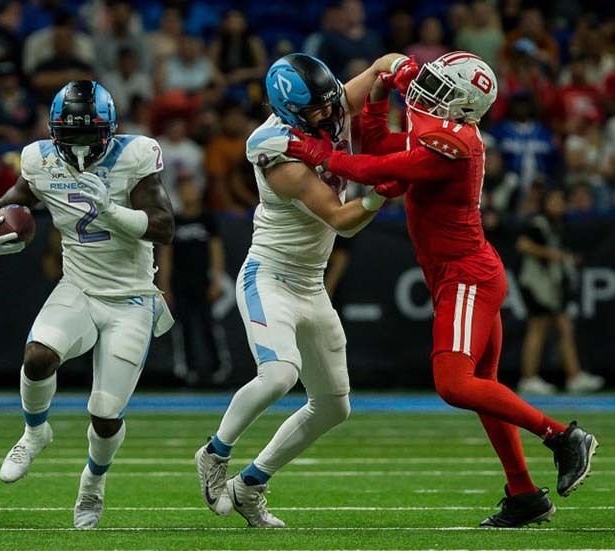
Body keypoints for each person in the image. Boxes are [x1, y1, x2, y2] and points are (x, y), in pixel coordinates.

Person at [284, 52, 598, 527]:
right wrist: (377, 96)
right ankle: (523, 494)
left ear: (464, 105)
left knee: (454, 384)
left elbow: (369, 169)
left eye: (441, 89)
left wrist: (313, 153)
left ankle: (562, 437)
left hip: (465, 274)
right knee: (481, 390)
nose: (429, 94)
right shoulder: (442, 131)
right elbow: (384, 145)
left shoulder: (454, 143)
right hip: (459, 272)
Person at [194, 52, 403, 527]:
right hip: (270, 276)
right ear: (291, 112)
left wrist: (406, 70)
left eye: (331, 104)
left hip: (311, 284)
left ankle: (251, 483)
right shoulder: (278, 155)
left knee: (333, 406)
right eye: (318, 111)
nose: (331, 114)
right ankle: (214, 452)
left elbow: (380, 66)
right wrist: (384, 189)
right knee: (279, 374)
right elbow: (342, 219)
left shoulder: (328, 106)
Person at [0, 81, 174, 529]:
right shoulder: (40, 159)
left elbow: (163, 227)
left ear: (109, 131)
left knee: (105, 415)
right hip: (78, 287)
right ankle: (34, 431)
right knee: (38, 356)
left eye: (89, 136)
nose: (81, 147)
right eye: (72, 136)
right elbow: (9, 203)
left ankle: (93, 482)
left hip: (131, 298)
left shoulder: (135, 155)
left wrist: (113, 211)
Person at [516, 188, 604, 395]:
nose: (557, 205)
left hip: (553, 285)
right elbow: (523, 244)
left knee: (564, 327)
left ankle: (574, 376)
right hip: (537, 283)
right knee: (538, 327)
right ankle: (528, 378)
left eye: (560, 200)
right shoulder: (537, 223)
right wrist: (551, 254)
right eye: (553, 200)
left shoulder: (560, 224)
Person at [157, 174, 229, 386]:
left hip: (203, 282)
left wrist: (217, 280)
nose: (190, 193)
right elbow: (165, 255)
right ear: (179, 194)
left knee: (209, 326)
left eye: (192, 188)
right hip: (181, 283)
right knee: (184, 328)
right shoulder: (175, 221)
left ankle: (218, 369)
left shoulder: (207, 220)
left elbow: (216, 252)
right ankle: (187, 371)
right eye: (185, 189)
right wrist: (165, 286)